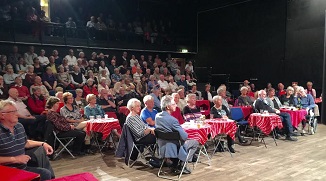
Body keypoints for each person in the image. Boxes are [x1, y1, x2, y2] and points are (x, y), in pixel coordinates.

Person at [0, 100, 54, 180]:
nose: (17, 114)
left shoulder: (19, 126)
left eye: (16, 111)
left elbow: (25, 143)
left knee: (45, 173)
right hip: (6, 172)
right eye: (13, 112)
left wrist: (43, 143)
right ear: (2, 115)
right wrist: (15, 159)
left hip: (22, 169)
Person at [155, 95, 199, 174]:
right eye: (174, 104)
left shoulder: (157, 117)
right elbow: (184, 136)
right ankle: (182, 164)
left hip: (162, 146)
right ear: (168, 107)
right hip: (174, 147)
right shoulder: (172, 120)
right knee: (195, 142)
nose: (176, 105)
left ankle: (176, 164)